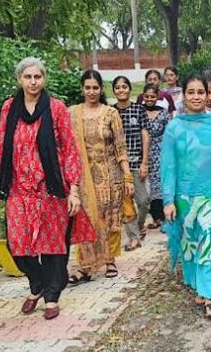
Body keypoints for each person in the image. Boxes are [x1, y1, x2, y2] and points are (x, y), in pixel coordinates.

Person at [0, 58, 93, 320]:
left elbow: (70, 150)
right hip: (19, 189)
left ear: (44, 79)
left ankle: (52, 295)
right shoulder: (9, 108)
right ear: (19, 79)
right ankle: (37, 284)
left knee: (53, 245)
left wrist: (74, 191)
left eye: (37, 77)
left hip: (50, 189)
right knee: (17, 245)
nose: (33, 82)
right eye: (28, 77)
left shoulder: (56, 108)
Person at [162, 75, 211, 319]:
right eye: (191, 92)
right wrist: (168, 200)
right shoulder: (174, 127)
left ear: (208, 95)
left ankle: (210, 295)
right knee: (191, 243)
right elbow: (168, 166)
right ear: (183, 95)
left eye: (200, 92)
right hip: (184, 197)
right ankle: (199, 285)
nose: (196, 97)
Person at [69, 70, 133, 282]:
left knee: (108, 219)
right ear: (82, 89)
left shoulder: (110, 114)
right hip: (83, 178)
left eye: (95, 87)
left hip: (110, 176)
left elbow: (120, 147)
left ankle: (109, 260)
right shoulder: (72, 114)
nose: (91, 92)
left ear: (101, 89)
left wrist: (127, 177)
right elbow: (67, 148)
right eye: (87, 88)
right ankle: (85, 265)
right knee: (85, 219)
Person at [112, 76, 150, 250]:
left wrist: (145, 163)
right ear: (114, 90)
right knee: (126, 203)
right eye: (118, 87)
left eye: (124, 86)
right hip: (118, 166)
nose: (121, 90)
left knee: (143, 201)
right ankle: (133, 238)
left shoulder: (139, 109)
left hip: (136, 164)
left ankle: (140, 226)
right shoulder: (111, 112)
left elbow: (145, 136)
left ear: (129, 89)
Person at [142, 84, 170, 229]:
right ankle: (155, 217)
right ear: (143, 96)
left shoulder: (163, 113)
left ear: (157, 97)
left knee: (161, 184)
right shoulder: (139, 112)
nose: (149, 99)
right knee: (149, 187)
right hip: (144, 153)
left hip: (161, 152)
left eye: (152, 96)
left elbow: (169, 133)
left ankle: (165, 218)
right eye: (146, 96)